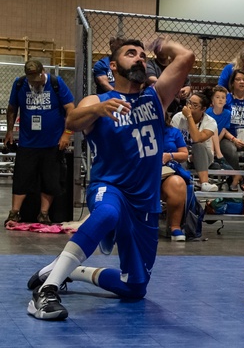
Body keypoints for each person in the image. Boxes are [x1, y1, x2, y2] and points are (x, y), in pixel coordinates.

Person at [26, 38, 195, 320]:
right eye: (131, 54)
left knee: (135, 288)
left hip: (145, 203)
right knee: (107, 213)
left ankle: (72, 270)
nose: (140, 58)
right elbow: (71, 122)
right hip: (110, 187)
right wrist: (97, 110)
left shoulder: (156, 97)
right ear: (113, 67)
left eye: (143, 55)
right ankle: (47, 291)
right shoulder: (98, 101)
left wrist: (162, 44)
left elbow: (187, 56)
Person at [5, 59, 75, 226]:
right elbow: (12, 108)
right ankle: (14, 213)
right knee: (21, 179)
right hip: (27, 142)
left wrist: (66, 135)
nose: (35, 83)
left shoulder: (56, 83)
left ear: (43, 72)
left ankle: (44, 214)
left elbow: (71, 108)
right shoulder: (20, 83)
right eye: (32, 80)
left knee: (50, 180)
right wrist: (9, 131)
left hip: (52, 143)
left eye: (37, 79)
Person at [170, 89, 218, 191]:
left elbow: (197, 138)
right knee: (179, 157)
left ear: (203, 109)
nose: (190, 106)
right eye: (189, 103)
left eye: (195, 105)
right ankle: (185, 187)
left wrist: (189, 116)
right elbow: (171, 141)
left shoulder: (210, 122)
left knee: (198, 145)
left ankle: (204, 183)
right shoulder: (177, 118)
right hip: (183, 155)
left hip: (203, 156)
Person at [160, 118, 191, 241]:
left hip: (166, 170)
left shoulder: (174, 132)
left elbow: (184, 154)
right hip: (141, 170)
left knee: (178, 183)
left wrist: (170, 155)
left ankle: (175, 226)